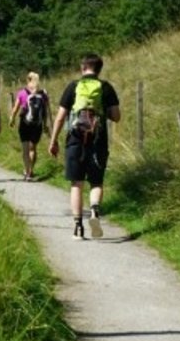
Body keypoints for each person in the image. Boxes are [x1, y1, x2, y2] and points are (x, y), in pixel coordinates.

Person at [47, 54, 121, 240]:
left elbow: (60, 117)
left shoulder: (73, 87)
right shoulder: (106, 87)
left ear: (82, 68)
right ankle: (95, 210)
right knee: (96, 181)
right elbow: (116, 116)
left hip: (75, 139)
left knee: (76, 183)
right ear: (99, 69)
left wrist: (53, 140)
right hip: (98, 140)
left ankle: (78, 227)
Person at [8, 71, 50, 180]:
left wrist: (12, 119)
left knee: (25, 149)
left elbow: (15, 109)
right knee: (33, 148)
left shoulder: (22, 93)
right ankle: (31, 171)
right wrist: (45, 125)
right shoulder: (43, 94)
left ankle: (26, 172)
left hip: (25, 124)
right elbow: (46, 111)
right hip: (37, 124)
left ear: (28, 79)